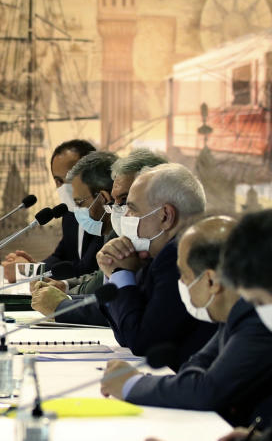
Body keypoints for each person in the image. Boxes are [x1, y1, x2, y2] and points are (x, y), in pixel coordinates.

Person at [100, 215, 272, 427]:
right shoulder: (234, 314)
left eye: (184, 275)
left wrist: (131, 384)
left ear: (210, 280)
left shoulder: (256, 315)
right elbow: (196, 366)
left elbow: (207, 390)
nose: (180, 282)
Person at [97, 162, 216, 369]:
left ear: (165, 216)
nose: (125, 217)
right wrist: (117, 272)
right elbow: (126, 333)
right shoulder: (155, 255)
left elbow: (142, 342)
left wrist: (120, 272)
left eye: (132, 209)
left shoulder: (178, 255)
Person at [32, 149, 168, 320]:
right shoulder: (129, 236)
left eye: (127, 203)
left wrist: (62, 306)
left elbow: (126, 314)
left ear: (165, 213)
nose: (117, 211)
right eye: (117, 201)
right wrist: (62, 290)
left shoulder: (169, 255)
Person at [30, 150, 116, 325]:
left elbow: (87, 269)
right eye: (58, 181)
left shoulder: (117, 228)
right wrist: (64, 286)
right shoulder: (77, 218)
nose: (64, 189)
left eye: (79, 202)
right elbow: (101, 276)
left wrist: (62, 304)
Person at [3, 139, 96, 282]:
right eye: (59, 181)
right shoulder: (70, 213)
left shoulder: (107, 215)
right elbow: (60, 256)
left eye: (70, 178)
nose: (65, 186)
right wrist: (34, 268)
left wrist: (29, 271)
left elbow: (85, 269)